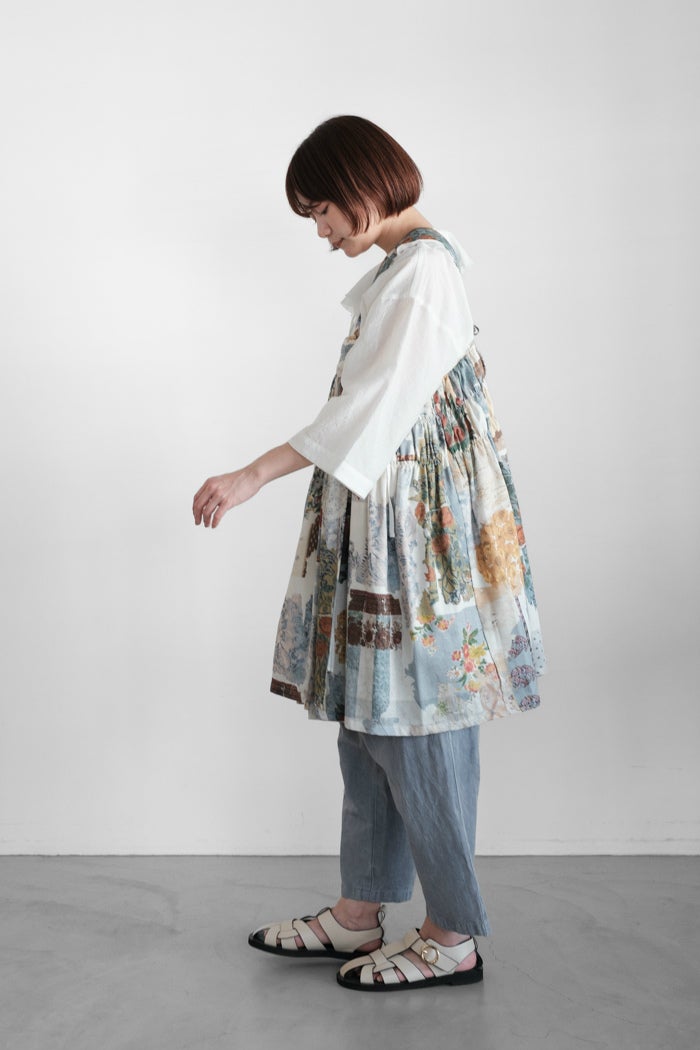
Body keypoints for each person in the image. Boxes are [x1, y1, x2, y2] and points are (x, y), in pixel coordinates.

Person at [192, 115, 546, 992]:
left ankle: (451, 934)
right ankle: (360, 912)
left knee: (420, 724)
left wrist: (251, 474)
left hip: (418, 542)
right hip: (390, 527)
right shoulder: (402, 269)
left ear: (361, 188)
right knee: (372, 720)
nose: (320, 232)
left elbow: (368, 414)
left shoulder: (423, 274)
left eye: (321, 211)